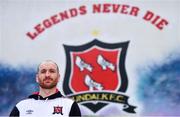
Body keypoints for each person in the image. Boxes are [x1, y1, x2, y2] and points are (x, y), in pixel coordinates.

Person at [9, 60, 81, 116]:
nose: (47, 75)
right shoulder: (21, 107)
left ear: (58, 77)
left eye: (52, 71)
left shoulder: (70, 105)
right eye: (43, 71)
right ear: (37, 78)